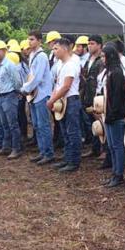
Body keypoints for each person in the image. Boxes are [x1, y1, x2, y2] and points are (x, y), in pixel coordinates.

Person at [48, 38, 82, 173]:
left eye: (56, 48)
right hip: (61, 101)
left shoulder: (71, 64)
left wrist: (51, 100)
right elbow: (58, 85)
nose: (54, 51)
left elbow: (66, 86)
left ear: (65, 49)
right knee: (65, 132)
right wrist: (53, 97)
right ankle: (68, 159)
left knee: (72, 132)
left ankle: (74, 161)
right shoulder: (61, 65)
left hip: (71, 100)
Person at [22, 30, 55, 165]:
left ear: (39, 41)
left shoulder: (41, 56)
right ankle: (42, 152)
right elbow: (31, 75)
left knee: (43, 125)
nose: (30, 42)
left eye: (32, 39)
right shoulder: (32, 55)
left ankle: (48, 153)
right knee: (36, 125)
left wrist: (26, 88)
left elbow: (38, 77)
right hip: (34, 95)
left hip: (41, 94)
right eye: (29, 39)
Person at [101, 43, 125, 188]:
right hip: (109, 113)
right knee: (111, 145)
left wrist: (113, 113)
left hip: (115, 115)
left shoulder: (116, 72)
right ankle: (114, 173)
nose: (102, 59)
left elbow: (118, 95)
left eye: (103, 56)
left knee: (117, 146)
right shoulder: (110, 71)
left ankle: (119, 174)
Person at [0, 41, 23, 159]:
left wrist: (17, 92)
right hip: (0, 96)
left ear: (4, 51)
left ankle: (16, 148)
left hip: (9, 96)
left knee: (12, 124)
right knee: (4, 124)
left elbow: (17, 82)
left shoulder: (9, 65)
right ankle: (6, 147)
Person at [80, 35, 104, 158]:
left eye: (92, 43)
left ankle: (104, 150)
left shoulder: (101, 60)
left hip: (98, 97)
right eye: (89, 43)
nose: (89, 45)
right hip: (87, 95)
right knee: (93, 123)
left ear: (99, 45)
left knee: (101, 122)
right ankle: (95, 149)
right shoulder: (89, 59)